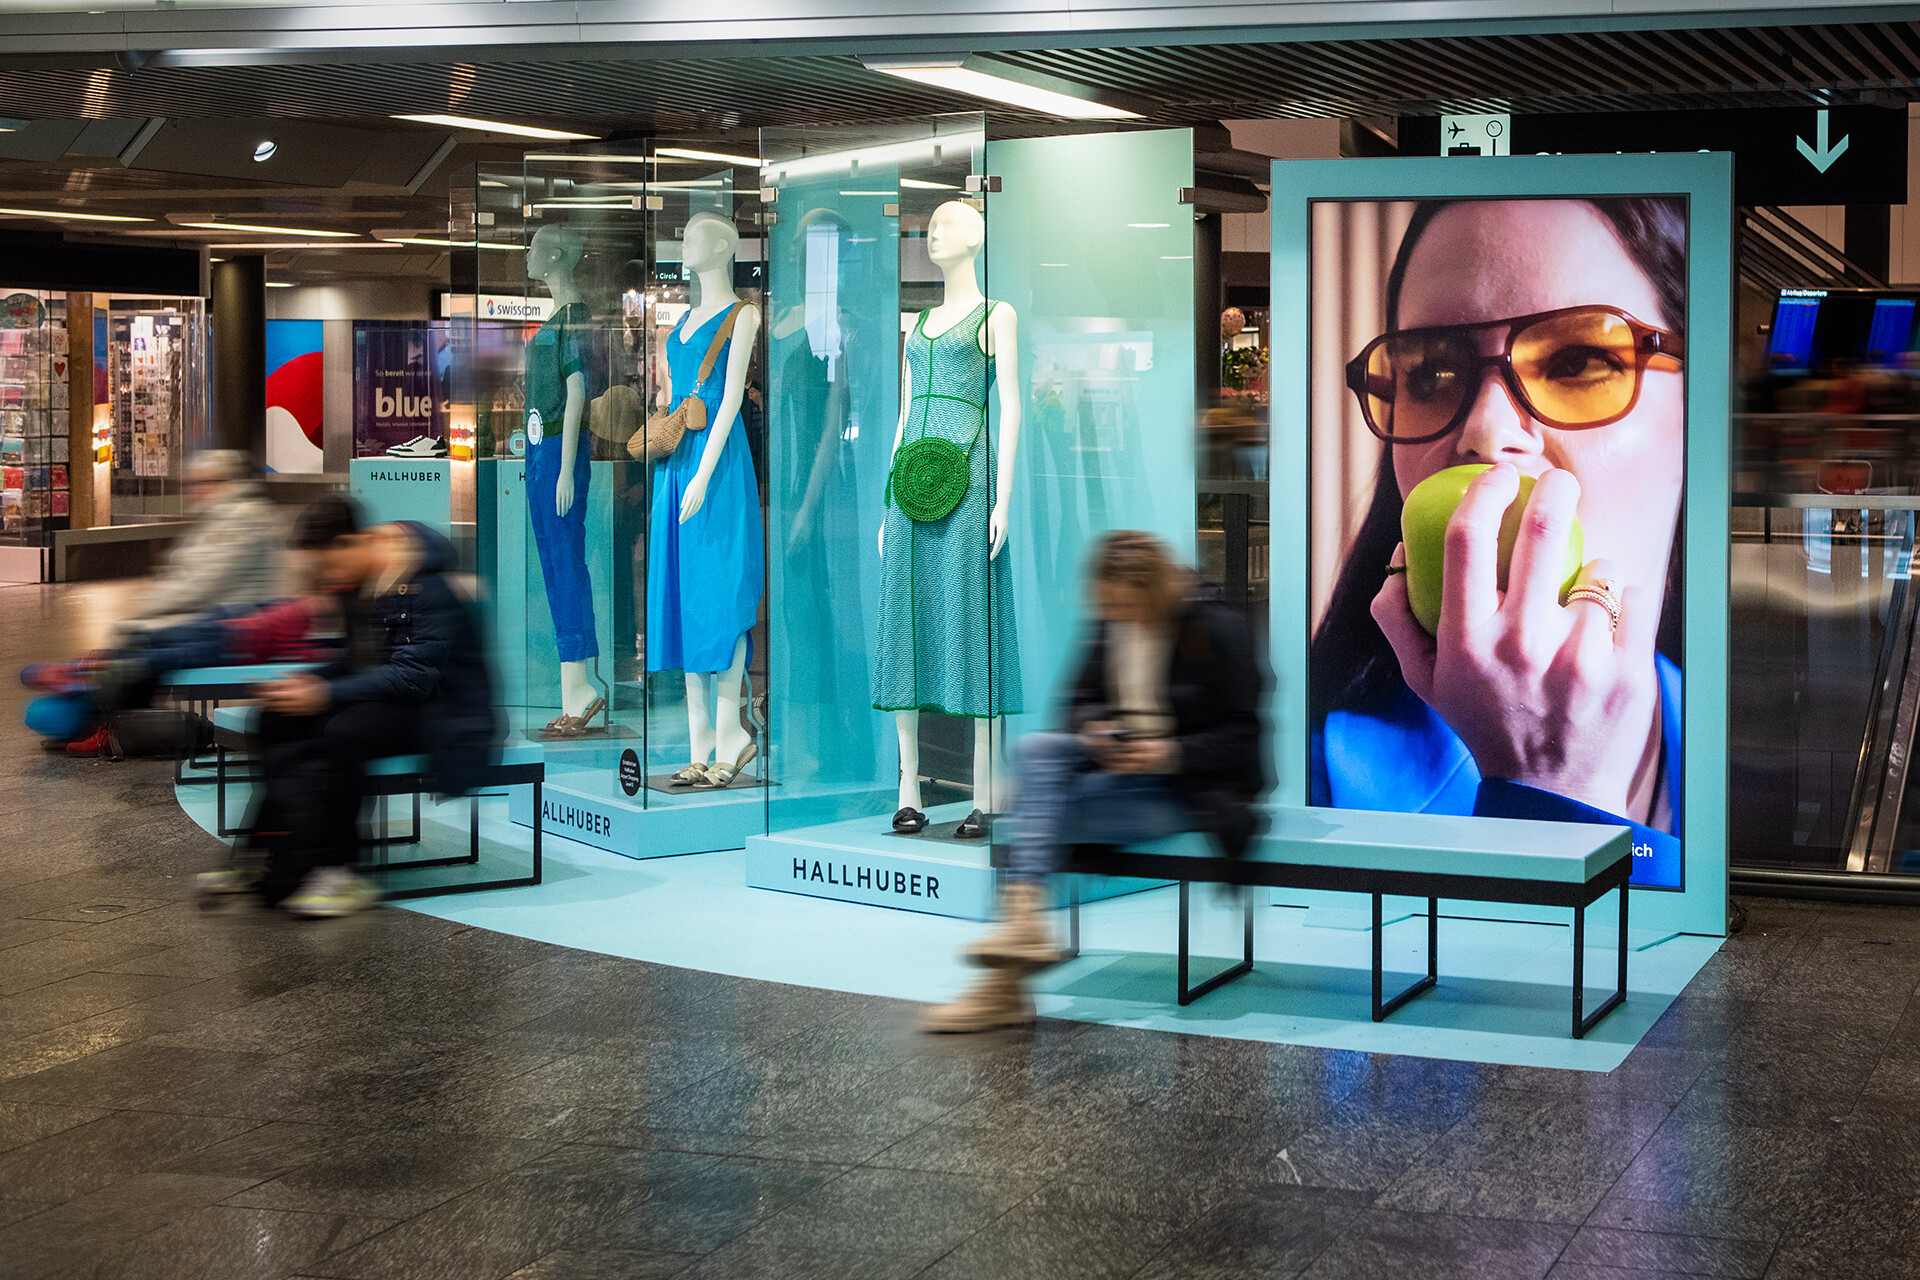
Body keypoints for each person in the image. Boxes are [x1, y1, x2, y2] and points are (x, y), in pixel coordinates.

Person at [1311, 197, 1686, 882]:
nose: (1485, 431)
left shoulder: (1781, 767)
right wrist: (1552, 789)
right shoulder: (1299, 781)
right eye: (1429, 374)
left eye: (1576, 360)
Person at [921, 531, 1269, 1033]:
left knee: (1041, 805)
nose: (1117, 617)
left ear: (1153, 593)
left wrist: (1168, 752)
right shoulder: (1113, 622)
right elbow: (1079, 703)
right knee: (1039, 752)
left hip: (1187, 790)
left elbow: (1243, 738)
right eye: (1110, 607)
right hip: (1116, 773)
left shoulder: (1215, 629)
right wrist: (1097, 732)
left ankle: (1005, 980)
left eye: (1126, 607)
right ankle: (1021, 931)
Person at [201, 495, 501, 917]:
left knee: (343, 732)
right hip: (401, 700)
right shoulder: (365, 586)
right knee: (274, 718)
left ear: (349, 544)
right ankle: (269, 851)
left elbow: (414, 676)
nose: (325, 577)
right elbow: (358, 660)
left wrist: (323, 693)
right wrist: (307, 683)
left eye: (327, 565)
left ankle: (342, 869)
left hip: (447, 714)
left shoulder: (423, 584)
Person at [127, 449, 283, 629]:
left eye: (201, 482)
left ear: (224, 481)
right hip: (216, 621)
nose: (193, 491)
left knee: (132, 634)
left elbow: (204, 581)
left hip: (229, 626)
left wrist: (152, 602)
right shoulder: (217, 518)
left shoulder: (242, 518)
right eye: (189, 484)